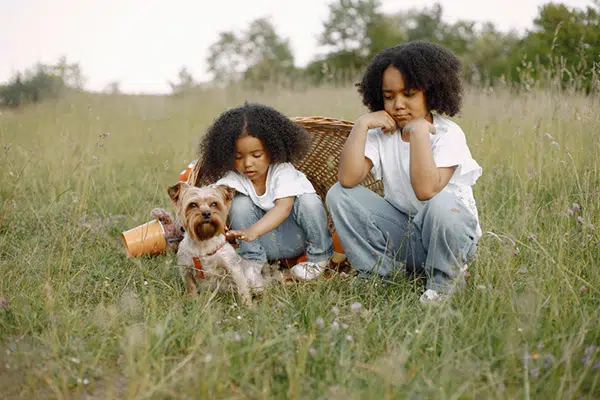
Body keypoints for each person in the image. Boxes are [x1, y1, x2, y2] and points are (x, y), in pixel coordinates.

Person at [326, 41, 482, 303]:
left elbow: (426, 190)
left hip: (451, 240)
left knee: (442, 203)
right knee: (339, 194)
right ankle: (381, 275)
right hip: (408, 237)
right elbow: (348, 179)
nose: (398, 104)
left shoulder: (448, 134)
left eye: (409, 94)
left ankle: (444, 286)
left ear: (430, 94)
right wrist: (361, 126)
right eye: (389, 96)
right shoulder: (382, 133)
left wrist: (419, 132)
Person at [195, 102, 333, 281]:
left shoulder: (283, 171)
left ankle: (319, 257)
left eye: (256, 155)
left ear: (272, 150)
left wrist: (253, 231)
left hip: (296, 240)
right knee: (240, 203)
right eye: (238, 157)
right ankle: (252, 262)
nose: (247, 163)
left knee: (309, 201)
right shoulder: (233, 179)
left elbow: (284, 208)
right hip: (261, 246)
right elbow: (212, 199)